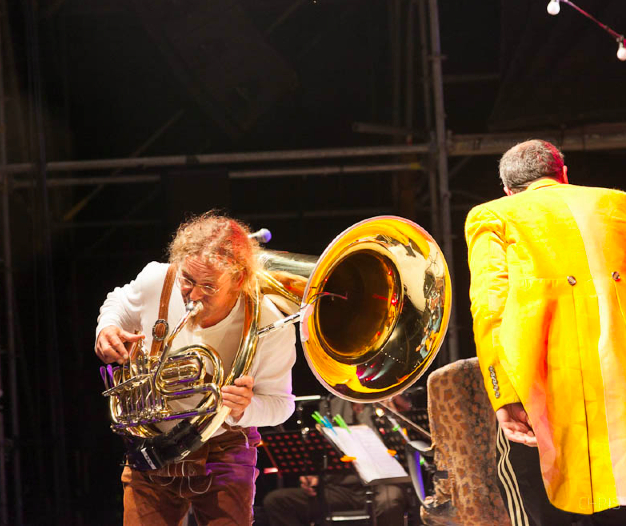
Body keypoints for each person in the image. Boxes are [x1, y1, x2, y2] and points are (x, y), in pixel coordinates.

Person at [464, 140, 626, 525]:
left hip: (542, 390)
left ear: (508, 190)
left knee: (548, 508)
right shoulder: (616, 202)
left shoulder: (492, 216)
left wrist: (503, 394)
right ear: (563, 174)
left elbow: (490, 313)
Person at [95, 212, 297, 526]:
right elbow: (118, 303)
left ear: (239, 281)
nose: (194, 295)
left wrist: (245, 408)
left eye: (209, 286)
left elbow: (282, 405)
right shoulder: (158, 279)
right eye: (188, 280)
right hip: (151, 447)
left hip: (223, 451)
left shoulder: (271, 324)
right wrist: (107, 328)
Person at [262, 396, 409, 526]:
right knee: (277, 501)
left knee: (390, 501)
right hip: (340, 488)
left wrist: (393, 411)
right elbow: (323, 451)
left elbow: (404, 444)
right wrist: (314, 475)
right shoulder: (329, 405)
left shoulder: (386, 403)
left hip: (381, 485)